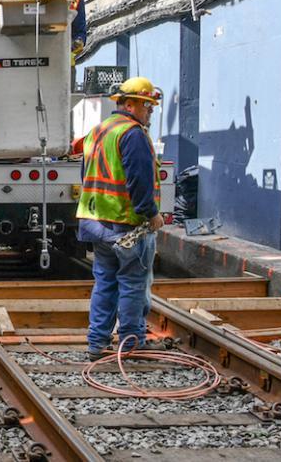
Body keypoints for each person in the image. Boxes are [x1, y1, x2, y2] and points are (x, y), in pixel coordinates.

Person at [77, 77, 166, 359]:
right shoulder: (133, 133)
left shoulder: (98, 131)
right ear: (130, 104)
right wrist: (151, 213)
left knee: (105, 281)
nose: (150, 111)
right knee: (132, 284)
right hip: (126, 223)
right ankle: (131, 342)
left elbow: (86, 175)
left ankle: (97, 342)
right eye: (147, 106)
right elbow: (138, 179)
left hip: (96, 223)